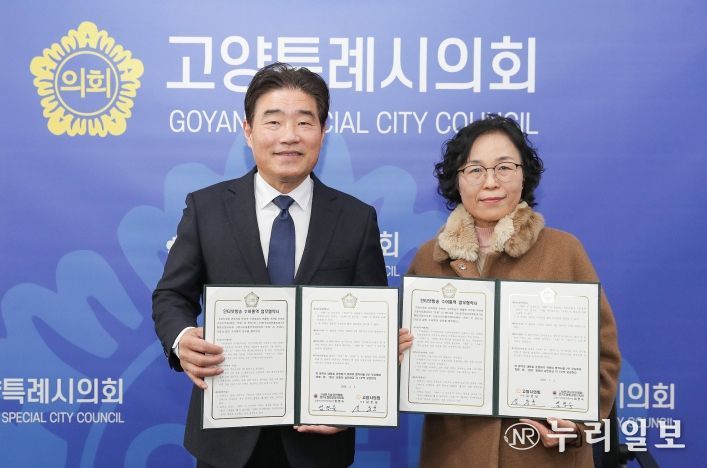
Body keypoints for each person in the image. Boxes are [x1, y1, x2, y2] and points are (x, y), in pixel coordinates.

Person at [153, 62, 387, 468]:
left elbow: (372, 324)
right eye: (273, 121)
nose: (289, 136)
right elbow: (172, 294)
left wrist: (352, 406)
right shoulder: (207, 208)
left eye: (304, 122)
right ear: (248, 131)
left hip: (317, 441)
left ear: (323, 132)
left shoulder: (356, 218)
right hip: (226, 438)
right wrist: (182, 338)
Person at [398, 114, 620, 467]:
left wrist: (575, 425)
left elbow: (603, 355)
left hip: (545, 456)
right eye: (475, 170)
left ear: (523, 174)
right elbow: (408, 362)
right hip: (455, 455)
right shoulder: (430, 258)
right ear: (457, 180)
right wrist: (399, 356)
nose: (491, 182)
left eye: (504, 167)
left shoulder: (565, 251)